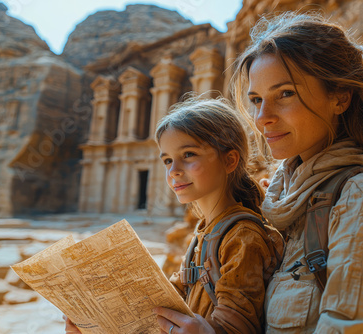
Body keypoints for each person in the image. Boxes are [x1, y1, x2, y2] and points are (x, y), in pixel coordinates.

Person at [229, 11, 363, 333]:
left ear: (340, 97)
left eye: (285, 94)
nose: (262, 117)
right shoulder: (284, 198)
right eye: (256, 99)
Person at [64, 97, 284, 334]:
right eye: (167, 160)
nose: (173, 171)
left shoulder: (242, 237)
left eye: (188, 154)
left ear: (230, 160)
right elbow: (166, 309)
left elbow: (237, 327)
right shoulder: (204, 233)